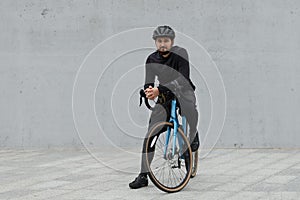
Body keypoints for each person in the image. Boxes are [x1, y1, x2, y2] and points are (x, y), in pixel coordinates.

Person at [129, 25, 199, 189]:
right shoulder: (151, 59)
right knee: (151, 133)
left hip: (183, 90)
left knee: (189, 109)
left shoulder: (180, 53)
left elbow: (183, 78)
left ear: (172, 42)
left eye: (166, 41)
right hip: (165, 94)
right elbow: (149, 81)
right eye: (159, 41)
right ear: (155, 42)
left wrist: (159, 90)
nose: (163, 44)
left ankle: (193, 133)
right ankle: (143, 175)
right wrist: (148, 91)